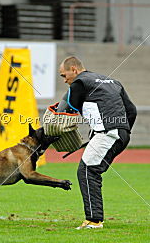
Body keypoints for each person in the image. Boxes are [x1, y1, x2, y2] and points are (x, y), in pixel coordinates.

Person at [59, 56, 137, 229]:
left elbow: (64, 110)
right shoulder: (113, 81)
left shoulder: (79, 82)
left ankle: (94, 221)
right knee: (91, 170)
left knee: (88, 171)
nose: (65, 80)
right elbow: (132, 111)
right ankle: (94, 218)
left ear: (74, 69)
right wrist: (122, 130)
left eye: (64, 75)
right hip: (120, 133)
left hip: (108, 133)